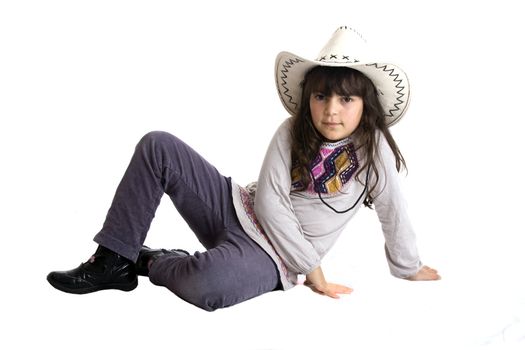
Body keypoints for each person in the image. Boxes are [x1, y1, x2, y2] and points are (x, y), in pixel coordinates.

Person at [47, 25, 440, 311]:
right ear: (308, 99)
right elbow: (268, 202)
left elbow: (393, 210)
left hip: (274, 257)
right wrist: (315, 269)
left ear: (365, 104)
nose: (331, 109)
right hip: (238, 207)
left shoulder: (373, 153)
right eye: (321, 96)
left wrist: (409, 267)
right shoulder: (291, 131)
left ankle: (150, 260)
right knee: (158, 145)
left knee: (208, 287)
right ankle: (113, 258)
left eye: (346, 100)